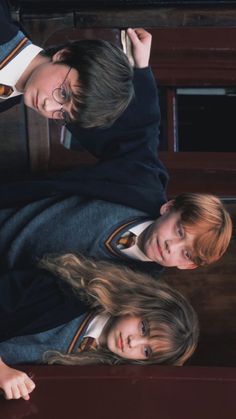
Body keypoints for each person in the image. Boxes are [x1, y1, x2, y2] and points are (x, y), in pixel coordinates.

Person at [0, 29, 232, 275]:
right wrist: (140, 69)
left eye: (185, 252)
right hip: (14, 209)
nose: (170, 246)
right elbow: (141, 134)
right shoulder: (140, 186)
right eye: (179, 232)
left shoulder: (136, 282)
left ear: (188, 264)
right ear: (169, 208)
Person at [0, 253, 199, 401]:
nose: (133, 342)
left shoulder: (95, 371)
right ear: (138, 305)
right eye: (143, 328)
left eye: (146, 351)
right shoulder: (62, 292)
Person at [0, 0, 134, 127]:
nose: (48, 107)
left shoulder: (7, 99)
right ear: (63, 55)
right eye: (63, 93)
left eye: (63, 114)